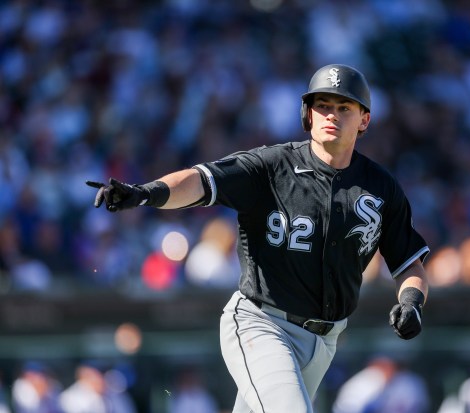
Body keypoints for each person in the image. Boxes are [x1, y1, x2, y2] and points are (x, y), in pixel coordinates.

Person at [87, 63, 430, 413]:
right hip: (261, 325)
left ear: (364, 120)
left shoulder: (381, 187)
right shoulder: (271, 166)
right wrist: (147, 193)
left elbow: (408, 263)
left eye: (344, 107)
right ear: (307, 114)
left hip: (325, 340)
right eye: (323, 105)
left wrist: (412, 302)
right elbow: (201, 181)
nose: (332, 114)